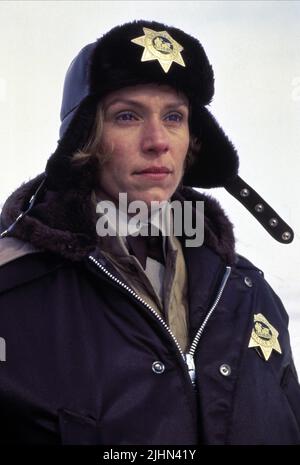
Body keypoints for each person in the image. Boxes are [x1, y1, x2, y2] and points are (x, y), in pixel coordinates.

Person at [0, 19, 299, 445]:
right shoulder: (12, 293)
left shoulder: (248, 292)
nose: (158, 141)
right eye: (127, 116)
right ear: (85, 140)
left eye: (174, 116)